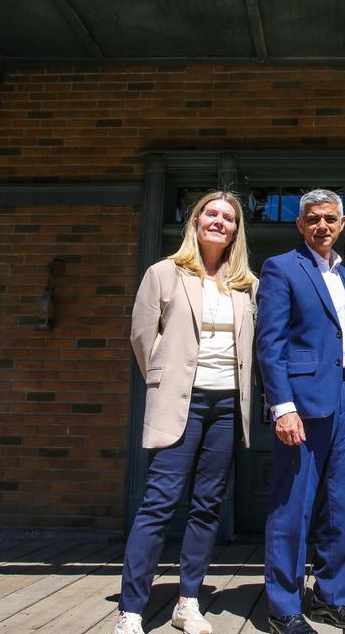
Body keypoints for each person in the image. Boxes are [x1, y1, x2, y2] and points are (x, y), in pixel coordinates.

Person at [116, 191, 258, 634]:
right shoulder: (164, 273)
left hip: (227, 405)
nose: (219, 222)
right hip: (183, 401)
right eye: (211, 214)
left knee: (207, 505)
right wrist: (166, 378)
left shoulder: (246, 283)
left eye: (228, 218)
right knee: (158, 503)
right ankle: (132, 609)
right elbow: (143, 336)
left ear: (236, 230)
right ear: (196, 221)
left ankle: (187, 600)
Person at [256, 189, 345, 634]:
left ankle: (333, 597)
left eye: (330, 218)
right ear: (300, 225)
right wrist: (282, 406)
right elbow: (269, 345)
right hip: (302, 403)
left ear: (342, 223)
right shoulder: (282, 268)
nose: (322, 226)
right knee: (293, 506)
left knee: (343, 505)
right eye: (313, 219)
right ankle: (283, 606)